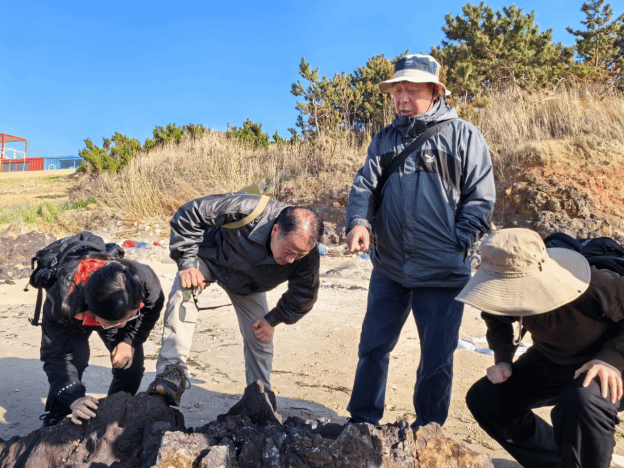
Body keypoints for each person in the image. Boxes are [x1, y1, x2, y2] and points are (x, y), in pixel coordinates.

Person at [345, 53, 495, 428]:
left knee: (437, 359)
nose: (401, 98)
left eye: (411, 90)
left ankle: (428, 430)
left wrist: (457, 243)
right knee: (372, 348)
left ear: (433, 91)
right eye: (397, 91)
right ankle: (362, 423)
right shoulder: (385, 139)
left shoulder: (464, 136)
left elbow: (481, 200)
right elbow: (364, 187)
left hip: (443, 271)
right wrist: (359, 222)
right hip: (390, 266)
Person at [457, 228, 624, 468]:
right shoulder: (502, 286)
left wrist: (611, 359)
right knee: (486, 400)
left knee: (581, 401)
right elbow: (496, 319)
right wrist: (503, 359)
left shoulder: (592, 283)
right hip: (554, 358)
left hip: (612, 361)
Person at [147, 191, 323, 407]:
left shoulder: (306, 254)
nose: (291, 260)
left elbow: (304, 294)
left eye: (299, 255)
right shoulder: (248, 209)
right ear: (276, 230)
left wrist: (273, 319)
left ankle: (260, 396)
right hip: (210, 259)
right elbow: (190, 214)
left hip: (248, 286)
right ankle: (171, 372)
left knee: (261, 334)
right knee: (183, 293)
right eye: (289, 250)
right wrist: (187, 263)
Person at [40, 254, 164, 426]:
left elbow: (152, 308)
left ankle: (114, 414)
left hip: (116, 309)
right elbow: (56, 356)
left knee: (131, 369)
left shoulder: (145, 280)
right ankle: (57, 418)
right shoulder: (59, 303)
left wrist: (130, 341)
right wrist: (74, 398)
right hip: (74, 314)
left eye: (128, 318)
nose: (122, 326)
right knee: (76, 361)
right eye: (113, 323)